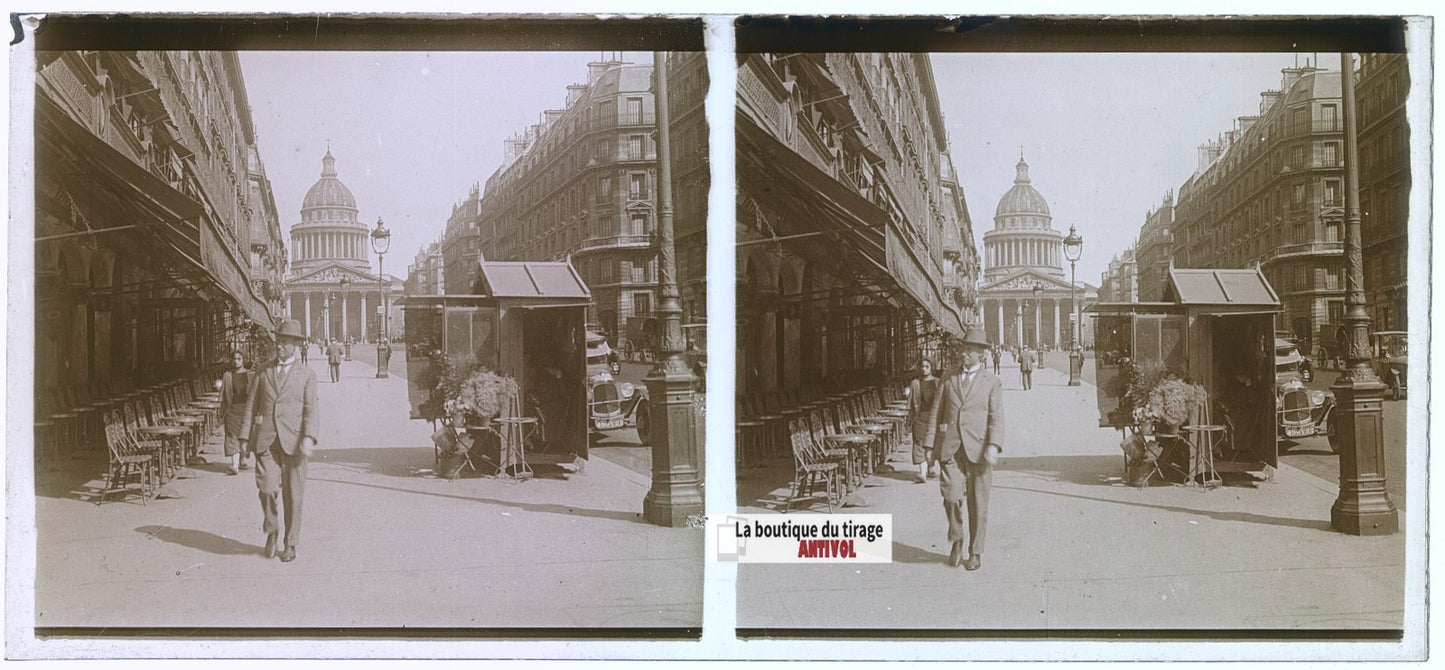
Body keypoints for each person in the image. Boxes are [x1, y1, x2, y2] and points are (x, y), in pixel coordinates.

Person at [239, 319, 320, 563]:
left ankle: (290, 543)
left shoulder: (307, 375)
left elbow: (311, 409)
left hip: (294, 441)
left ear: (296, 345)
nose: (280, 346)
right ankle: (272, 528)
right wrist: (244, 437)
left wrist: (309, 436)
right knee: (266, 488)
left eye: (285, 342)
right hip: (266, 440)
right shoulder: (263, 371)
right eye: (279, 340)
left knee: (294, 495)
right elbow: (251, 405)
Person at [923, 328, 1003, 571]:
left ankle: (975, 552)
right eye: (963, 349)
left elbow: (996, 417)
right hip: (951, 448)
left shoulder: (992, 382)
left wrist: (993, 445)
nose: (964, 354)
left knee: (978, 503)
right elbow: (936, 412)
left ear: (981, 354)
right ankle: (957, 537)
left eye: (970, 350)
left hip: (979, 449)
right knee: (951, 497)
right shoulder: (948, 377)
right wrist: (929, 444)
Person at [218, 350, 255, 476]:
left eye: (239, 358)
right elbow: (223, 395)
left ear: (243, 360)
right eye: (234, 359)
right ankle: (234, 465)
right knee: (231, 435)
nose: (236, 361)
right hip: (232, 409)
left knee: (245, 436)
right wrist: (221, 413)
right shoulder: (227, 376)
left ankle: (242, 459)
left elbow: (256, 394)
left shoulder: (250, 375)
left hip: (247, 410)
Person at [907, 357, 941, 483]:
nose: (924, 369)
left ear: (932, 367)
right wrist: (909, 421)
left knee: (933, 443)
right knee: (919, 443)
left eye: (927, 366)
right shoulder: (915, 383)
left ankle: (931, 468)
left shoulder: (938, 382)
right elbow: (911, 404)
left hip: (935, 418)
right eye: (922, 366)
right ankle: (922, 473)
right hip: (920, 417)